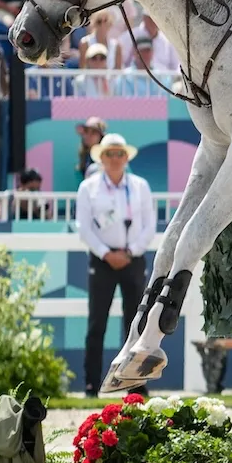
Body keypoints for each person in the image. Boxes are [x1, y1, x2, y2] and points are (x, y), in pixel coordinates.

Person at [74, 132, 156, 397]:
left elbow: (149, 226)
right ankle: (91, 384)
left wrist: (130, 252)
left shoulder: (140, 186)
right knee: (97, 322)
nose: (115, 159)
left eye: (120, 153)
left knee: (136, 323)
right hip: (102, 260)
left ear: (126, 157)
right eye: (110, 154)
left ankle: (135, 382)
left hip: (132, 259)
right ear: (102, 157)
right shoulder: (89, 187)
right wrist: (105, 253)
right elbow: (83, 227)